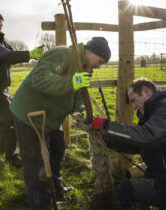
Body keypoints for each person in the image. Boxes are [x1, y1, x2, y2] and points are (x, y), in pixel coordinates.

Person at [9, 37, 111, 209]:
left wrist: (80, 112)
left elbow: (78, 96)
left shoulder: (84, 69)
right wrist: (73, 81)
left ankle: (56, 188)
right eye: (100, 61)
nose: (99, 66)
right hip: (30, 114)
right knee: (37, 163)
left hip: (51, 117)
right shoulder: (61, 54)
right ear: (90, 52)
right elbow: (40, 80)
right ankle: (41, 203)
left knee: (57, 152)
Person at [92, 78, 166, 210]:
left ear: (146, 92)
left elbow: (147, 137)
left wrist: (106, 125)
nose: (132, 107)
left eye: (133, 100)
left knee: (128, 190)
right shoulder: (152, 115)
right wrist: (106, 139)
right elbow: (137, 145)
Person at [0, 10, 44, 167]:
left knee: (5, 120)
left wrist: (30, 54)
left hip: (1, 86)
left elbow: (11, 54)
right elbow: (4, 56)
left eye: (2, 21)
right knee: (12, 119)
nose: (1, 23)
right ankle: (11, 156)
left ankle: (2, 147)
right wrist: (30, 54)